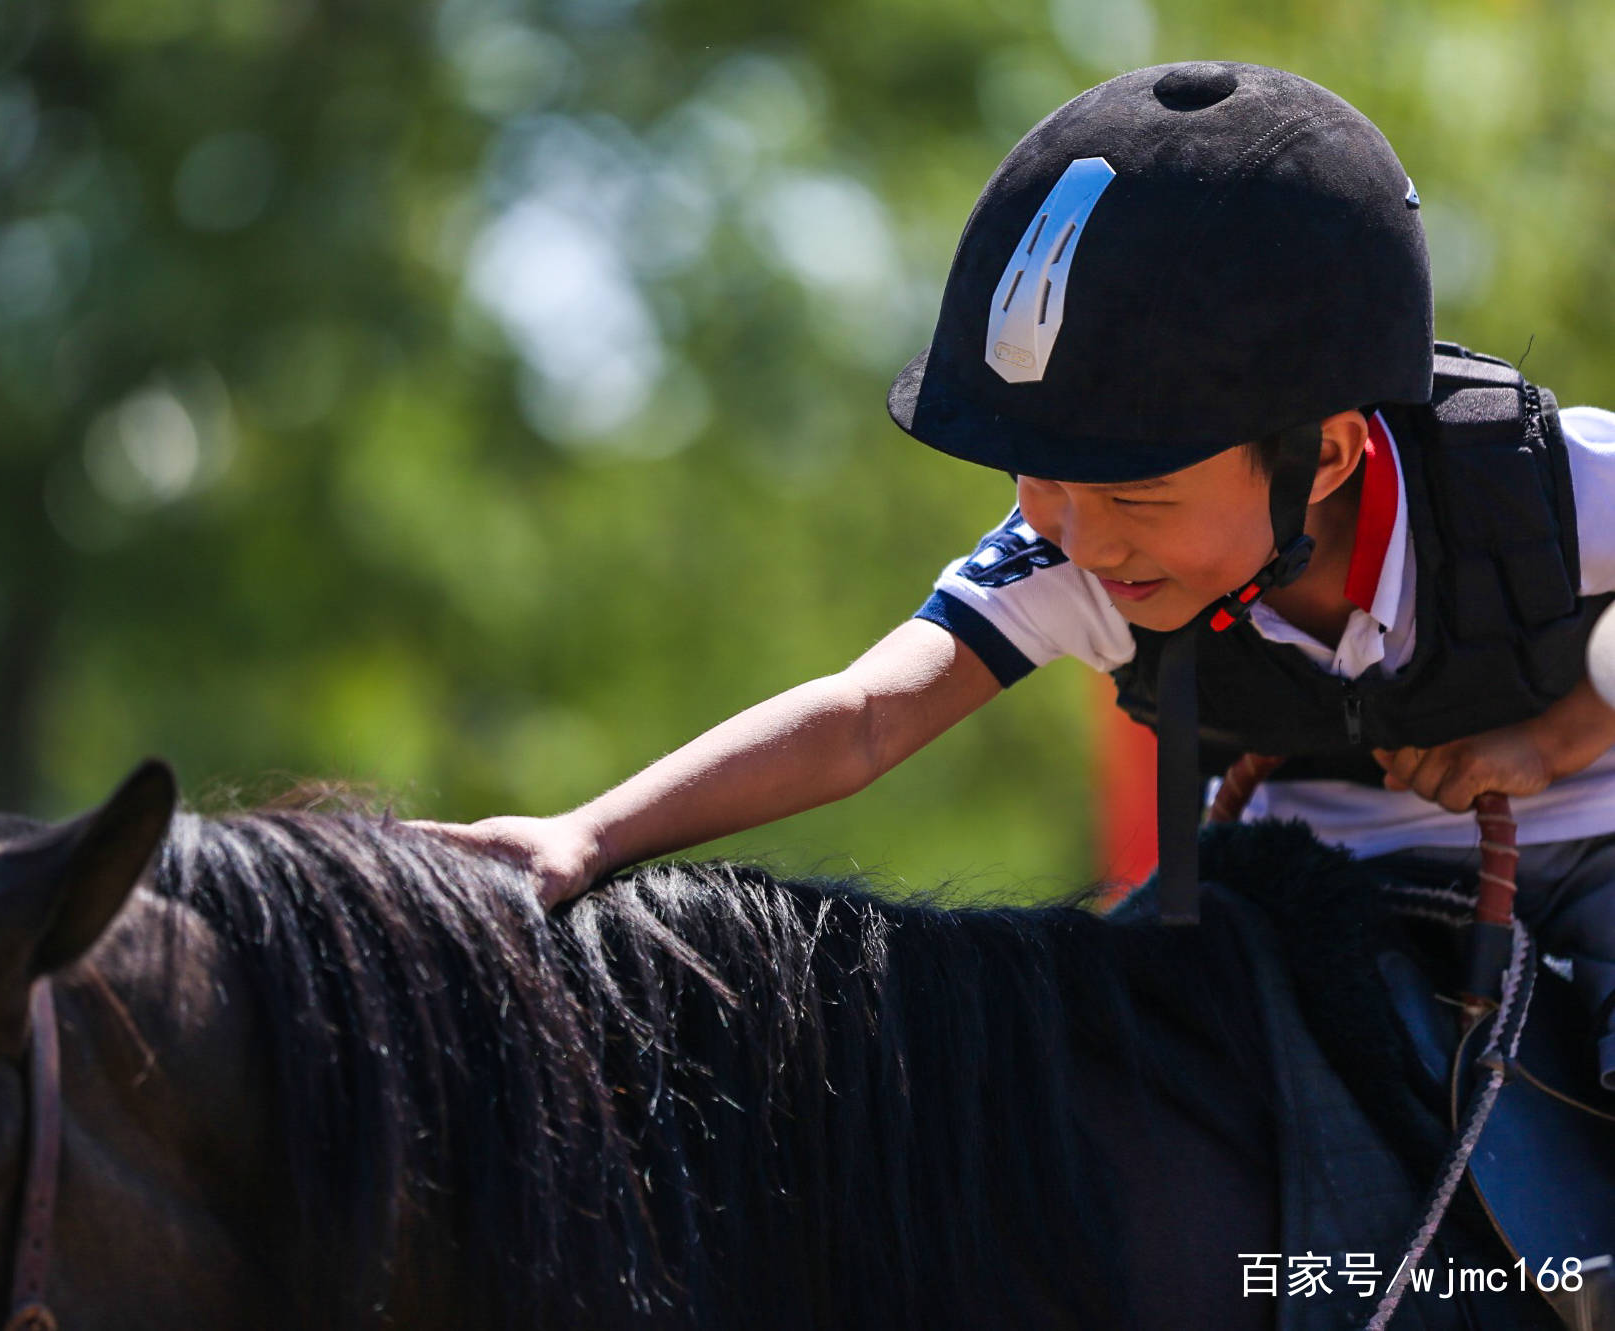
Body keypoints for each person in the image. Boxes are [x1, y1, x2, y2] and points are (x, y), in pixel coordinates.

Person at [419, 61, 1615, 1086]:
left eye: (1134, 493)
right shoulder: (1089, 548)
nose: (1082, 544)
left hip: (1594, 848)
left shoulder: (1549, 485)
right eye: (1041, 483)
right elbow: (861, 719)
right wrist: (583, 835)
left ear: (1326, 457)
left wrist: (1555, 735)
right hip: (1299, 872)